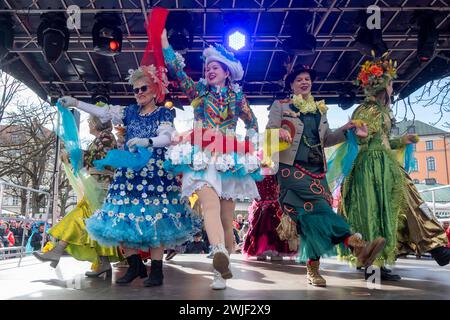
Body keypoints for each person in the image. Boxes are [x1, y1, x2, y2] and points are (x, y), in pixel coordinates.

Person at [56, 61, 196, 287]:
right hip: (129, 174)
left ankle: (157, 272)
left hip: (154, 175)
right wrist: (75, 102)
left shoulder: (163, 113)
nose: (139, 93)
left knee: (156, 221)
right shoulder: (129, 112)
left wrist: (147, 141)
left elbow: (168, 137)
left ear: (155, 91)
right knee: (119, 219)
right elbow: (103, 111)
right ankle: (135, 266)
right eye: (136, 90)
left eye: (144, 89)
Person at [266, 65, 386, 287]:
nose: (304, 82)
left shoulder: (320, 111)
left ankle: (314, 270)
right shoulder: (281, 106)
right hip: (291, 170)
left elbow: (327, 140)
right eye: (300, 79)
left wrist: (347, 128)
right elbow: (269, 136)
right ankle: (354, 243)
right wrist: (278, 133)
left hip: (316, 171)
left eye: (308, 79)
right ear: (292, 85)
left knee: (312, 221)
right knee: (319, 210)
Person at [162, 29, 260, 290]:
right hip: (202, 153)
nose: (209, 70)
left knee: (228, 220)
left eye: (215, 67)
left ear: (227, 72)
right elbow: (178, 71)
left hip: (229, 155)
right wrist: (164, 43)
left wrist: (251, 144)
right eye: (207, 67)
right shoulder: (198, 93)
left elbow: (252, 122)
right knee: (209, 205)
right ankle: (218, 252)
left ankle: (221, 270)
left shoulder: (237, 97)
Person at [340, 54, 450, 281]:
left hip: (385, 164)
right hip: (370, 167)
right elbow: (364, 136)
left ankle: (435, 245)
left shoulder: (383, 111)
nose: (392, 87)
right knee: (374, 212)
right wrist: (361, 134)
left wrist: (402, 141)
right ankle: (375, 268)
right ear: (381, 85)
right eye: (390, 83)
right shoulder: (366, 109)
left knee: (404, 203)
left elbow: (383, 141)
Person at [33, 113, 123, 274]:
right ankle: (101, 262)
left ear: (97, 123)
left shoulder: (107, 137)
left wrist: (76, 153)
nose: (88, 124)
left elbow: (101, 158)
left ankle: (57, 250)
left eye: (90, 121)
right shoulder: (102, 138)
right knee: (94, 223)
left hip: (101, 188)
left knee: (83, 217)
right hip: (97, 187)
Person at [243, 175, 297, 261]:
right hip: (263, 197)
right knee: (263, 222)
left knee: (272, 223)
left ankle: (271, 251)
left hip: (272, 196)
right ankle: (262, 251)